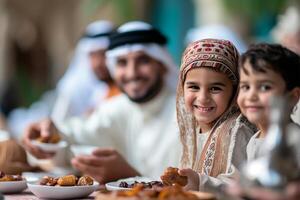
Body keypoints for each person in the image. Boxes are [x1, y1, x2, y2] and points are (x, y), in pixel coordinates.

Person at [22, 21, 180, 183]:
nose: (132, 73)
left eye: (143, 61)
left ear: (162, 65)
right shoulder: (115, 108)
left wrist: (129, 177)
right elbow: (78, 136)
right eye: (122, 62)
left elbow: (198, 186)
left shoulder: (186, 114)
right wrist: (49, 134)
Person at [175, 39, 255, 191]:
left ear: (234, 90)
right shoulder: (192, 129)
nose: (203, 98)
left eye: (215, 88)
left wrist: (200, 183)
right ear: (182, 88)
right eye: (193, 87)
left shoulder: (236, 130)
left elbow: (242, 187)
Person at [226, 43, 300, 200]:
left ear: (293, 97)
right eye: (245, 87)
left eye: (265, 87)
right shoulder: (255, 140)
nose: (251, 96)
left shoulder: (294, 140)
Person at [51, 20, 120, 124]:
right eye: (92, 55)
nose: (98, 63)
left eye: (103, 54)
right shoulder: (75, 89)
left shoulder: (126, 88)